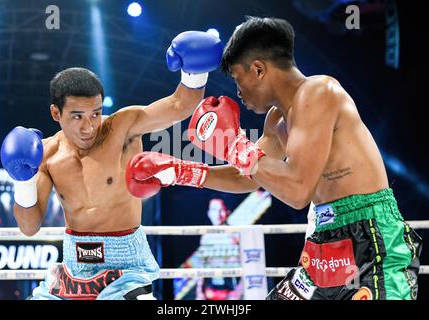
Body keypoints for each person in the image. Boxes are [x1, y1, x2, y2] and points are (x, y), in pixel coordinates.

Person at [126, 17, 422, 300]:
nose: (237, 92)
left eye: (237, 79)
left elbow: (296, 191)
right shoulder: (276, 119)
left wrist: (233, 144)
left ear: (258, 69)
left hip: (372, 242)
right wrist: (181, 171)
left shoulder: (319, 91)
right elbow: (250, 175)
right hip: (323, 247)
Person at [0, 30, 223, 300]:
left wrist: (194, 72)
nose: (89, 126)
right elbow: (29, 227)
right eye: (78, 116)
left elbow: (179, 105)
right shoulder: (46, 154)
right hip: (73, 269)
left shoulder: (123, 128)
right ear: (56, 113)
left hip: (128, 268)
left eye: (95, 113)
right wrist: (22, 182)